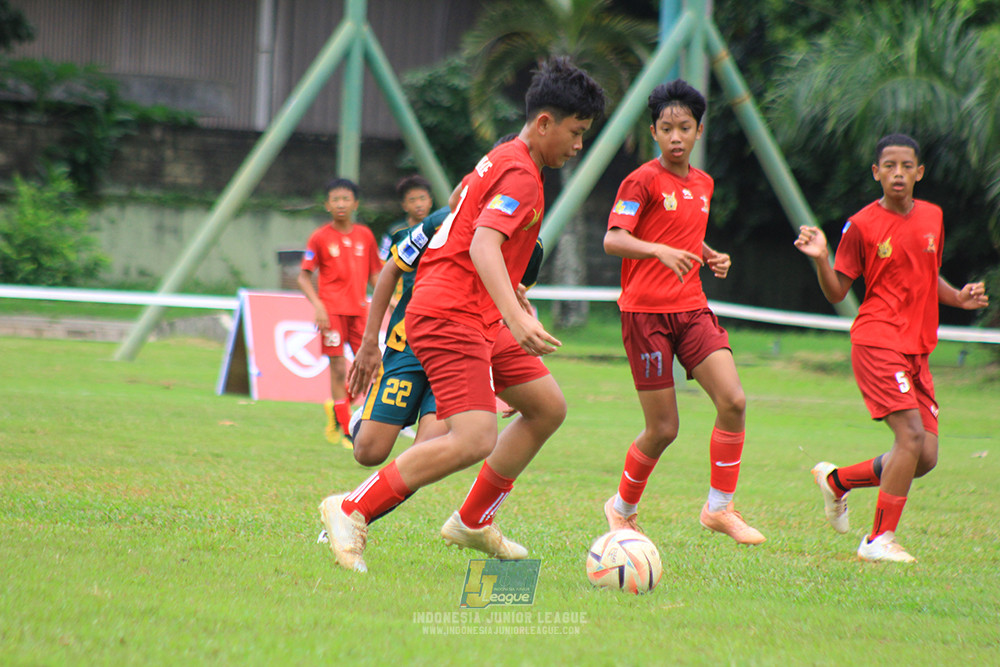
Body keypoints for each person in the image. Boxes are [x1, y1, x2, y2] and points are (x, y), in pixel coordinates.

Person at [317, 56, 605, 573]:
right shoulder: (522, 175)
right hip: (450, 312)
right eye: (577, 132)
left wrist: (507, 297)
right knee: (474, 437)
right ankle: (352, 508)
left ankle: (473, 520)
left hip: (475, 311)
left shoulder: (502, 157)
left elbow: (460, 204)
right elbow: (482, 245)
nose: (579, 145)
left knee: (546, 407)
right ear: (545, 123)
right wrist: (517, 316)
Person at [795, 133, 988, 563]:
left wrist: (958, 297)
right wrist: (821, 258)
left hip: (917, 349)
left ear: (919, 172)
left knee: (925, 456)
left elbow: (927, 274)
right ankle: (878, 539)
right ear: (876, 173)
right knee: (910, 436)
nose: (898, 174)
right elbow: (836, 291)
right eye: (889, 166)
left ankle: (838, 482)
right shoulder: (861, 225)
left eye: (906, 166)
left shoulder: (933, 216)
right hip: (877, 340)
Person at [602, 79, 765, 546]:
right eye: (667, 128)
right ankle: (621, 508)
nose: (676, 137)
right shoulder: (641, 180)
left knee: (733, 401)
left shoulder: (704, 184)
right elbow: (614, 239)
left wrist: (708, 254)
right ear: (654, 132)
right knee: (663, 429)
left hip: (692, 309)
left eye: (685, 128)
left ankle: (719, 508)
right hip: (645, 316)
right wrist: (657, 251)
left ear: (698, 131)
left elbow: (681, 229)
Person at [344, 136, 542, 470]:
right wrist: (369, 344)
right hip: (410, 342)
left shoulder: (530, 245)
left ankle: (361, 502)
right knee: (369, 452)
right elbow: (391, 270)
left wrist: (518, 378)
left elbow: (514, 305)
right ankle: (376, 416)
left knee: (428, 450)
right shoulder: (441, 221)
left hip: (461, 347)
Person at [297, 178, 381, 448]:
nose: (341, 204)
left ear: (355, 204)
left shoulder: (365, 235)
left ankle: (337, 407)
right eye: (335, 199)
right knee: (337, 368)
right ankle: (346, 429)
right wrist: (319, 306)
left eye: (346, 199)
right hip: (332, 312)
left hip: (360, 312)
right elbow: (303, 277)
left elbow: (376, 274)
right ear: (327, 205)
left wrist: (390, 299)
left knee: (370, 366)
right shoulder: (320, 237)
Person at [378, 175, 434, 261]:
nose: (418, 205)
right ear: (404, 205)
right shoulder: (395, 231)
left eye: (422, 198)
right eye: (412, 200)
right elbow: (382, 258)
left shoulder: (439, 228)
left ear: (430, 201)